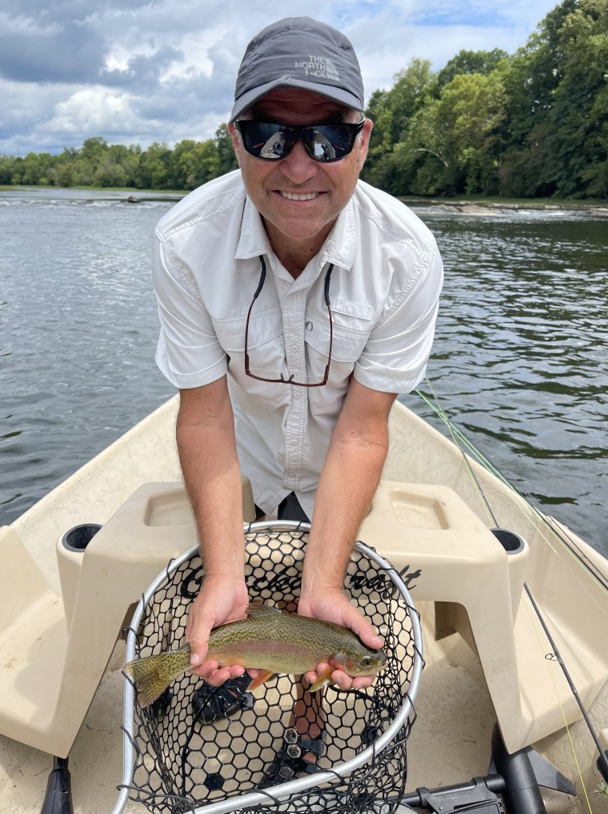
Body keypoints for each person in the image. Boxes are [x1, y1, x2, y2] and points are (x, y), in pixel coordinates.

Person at [152, 15, 443, 774]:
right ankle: (227, 671)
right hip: (243, 457)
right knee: (245, 599)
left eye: (328, 137)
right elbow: (204, 417)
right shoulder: (185, 244)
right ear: (236, 139)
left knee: (319, 610)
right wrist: (224, 572)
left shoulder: (407, 258)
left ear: (363, 141)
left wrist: (325, 576)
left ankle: (305, 728)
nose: (300, 166)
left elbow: (362, 431)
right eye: (271, 135)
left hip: (338, 464)